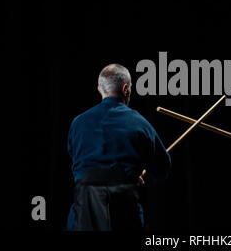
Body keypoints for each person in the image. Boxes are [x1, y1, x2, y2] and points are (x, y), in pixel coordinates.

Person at [66, 64, 171, 231]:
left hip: (83, 215)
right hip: (124, 214)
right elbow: (161, 171)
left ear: (100, 89)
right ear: (126, 88)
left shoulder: (78, 123)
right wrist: (133, 175)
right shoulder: (141, 124)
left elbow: (77, 165)